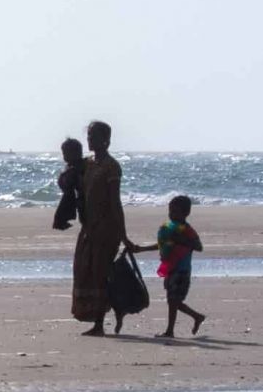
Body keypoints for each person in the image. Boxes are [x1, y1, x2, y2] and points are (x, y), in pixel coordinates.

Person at [70, 120, 134, 336]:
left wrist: (123, 235)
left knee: (100, 274)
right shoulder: (87, 164)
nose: (89, 140)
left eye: (93, 137)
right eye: (88, 136)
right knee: (83, 270)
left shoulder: (111, 167)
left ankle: (99, 323)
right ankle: (102, 314)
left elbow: (115, 202)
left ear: (105, 140)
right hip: (88, 228)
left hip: (106, 229)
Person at [129, 195, 206, 338]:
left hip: (182, 270)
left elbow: (199, 246)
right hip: (170, 268)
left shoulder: (187, 230)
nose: (171, 214)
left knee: (173, 301)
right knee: (173, 301)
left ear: (186, 213)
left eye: (175, 212)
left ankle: (172, 330)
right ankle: (196, 317)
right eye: (170, 211)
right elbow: (162, 245)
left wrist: (182, 240)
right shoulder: (169, 228)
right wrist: (142, 249)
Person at [52, 137, 84, 231]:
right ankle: (61, 220)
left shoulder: (79, 166)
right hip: (72, 193)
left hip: (77, 194)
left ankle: (61, 220)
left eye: (66, 153)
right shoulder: (70, 167)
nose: (64, 156)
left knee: (66, 201)